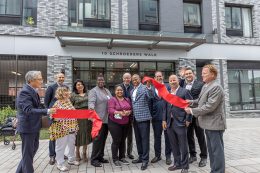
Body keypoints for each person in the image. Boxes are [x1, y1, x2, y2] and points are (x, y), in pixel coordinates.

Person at [185, 64, 226, 173]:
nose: (201, 75)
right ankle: (214, 170)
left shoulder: (216, 87)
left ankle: (219, 171)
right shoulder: (206, 85)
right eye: (202, 73)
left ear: (212, 74)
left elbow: (209, 106)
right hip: (208, 124)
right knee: (212, 150)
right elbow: (200, 100)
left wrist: (192, 111)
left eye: (204, 73)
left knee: (217, 150)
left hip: (215, 124)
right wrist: (191, 102)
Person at [16, 71, 55, 173]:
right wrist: (47, 111)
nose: (41, 81)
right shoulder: (25, 92)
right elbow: (28, 110)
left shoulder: (33, 90)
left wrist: (50, 109)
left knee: (31, 151)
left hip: (34, 126)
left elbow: (37, 107)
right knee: (28, 154)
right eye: (39, 79)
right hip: (28, 127)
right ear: (31, 80)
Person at [163, 75, 192, 173]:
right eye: (170, 80)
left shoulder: (184, 92)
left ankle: (185, 166)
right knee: (174, 145)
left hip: (181, 122)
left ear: (178, 81)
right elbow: (166, 107)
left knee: (183, 145)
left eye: (174, 80)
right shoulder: (168, 93)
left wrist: (188, 119)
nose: (172, 81)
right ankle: (177, 163)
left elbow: (189, 106)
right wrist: (164, 120)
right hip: (170, 123)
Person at [181, 67, 208, 167]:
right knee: (189, 136)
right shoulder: (183, 84)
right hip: (187, 114)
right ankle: (192, 155)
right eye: (186, 74)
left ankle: (204, 157)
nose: (188, 75)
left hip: (197, 114)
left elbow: (203, 99)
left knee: (200, 136)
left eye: (189, 73)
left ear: (193, 74)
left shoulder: (200, 84)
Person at [49, 87, 80, 172]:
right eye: (64, 92)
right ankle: (60, 164)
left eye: (67, 91)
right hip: (62, 128)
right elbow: (52, 117)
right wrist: (61, 116)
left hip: (72, 127)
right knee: (60, 146)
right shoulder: (57, 103)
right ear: (60, 93)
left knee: (71, 144)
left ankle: (71, 159)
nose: (66, 93)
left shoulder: (68, 102)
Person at [88, 74, 112, 167]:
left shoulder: (107, 90)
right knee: (97, 140)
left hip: (107, 120)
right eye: (99, 80)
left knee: (103, 139)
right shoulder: (93, 91)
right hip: (98, 120)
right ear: (96, 81)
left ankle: (100, 156)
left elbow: (111, 101)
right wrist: (91, 110)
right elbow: (91, 103)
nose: (101, 81)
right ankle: (94, 159)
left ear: (104, 81)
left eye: (102, 80)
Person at [131, 74, 153, 171]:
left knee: (145, 139)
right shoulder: (132, 90)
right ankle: (140, 157)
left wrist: (148, 87)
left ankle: (145, 160)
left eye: (136, 79)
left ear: (140, 79)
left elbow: (150, 96)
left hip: (144, 118)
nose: (134, 80)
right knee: (138, 139)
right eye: (133, 79)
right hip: (135, 118)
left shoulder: (144, 88)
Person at [44, 72, 67, 165]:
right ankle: (52, 156)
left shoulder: (65, 87)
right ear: (56, 78)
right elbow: (46, 102)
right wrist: (50, 112)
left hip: (63, 114)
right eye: (59, 77)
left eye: (62, 77)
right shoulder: (51, 87)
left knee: (62, 134)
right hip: (53, 114)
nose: (61, 78)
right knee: (53, 135)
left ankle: (60, 154)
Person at [150, 71, 172, 165]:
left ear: (163, 77)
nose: (159, 77)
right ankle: (157, 155)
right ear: (154, 78)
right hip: (156, 118)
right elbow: (150, 103)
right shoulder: (151, 88)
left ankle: (168, 157)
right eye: (157, 76)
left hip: (167, 117)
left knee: (168, 138)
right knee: (157, 137)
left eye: (160, 76)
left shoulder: (168, 87)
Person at [108, 85, 132, 167]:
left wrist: (129, 112)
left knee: (123, 140)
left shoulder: (127, 99)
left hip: (125, 123)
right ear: (115, 91)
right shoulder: (112, 99)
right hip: (114, 123)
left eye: (121, 90)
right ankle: (115, 158)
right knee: (116, 140)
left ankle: (122, 157)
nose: (120, 91)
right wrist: (119, 112)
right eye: (118, 90)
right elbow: (110, 110)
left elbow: (130, 108)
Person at [70, 79, 92, 162]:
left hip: (87, 118)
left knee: (86, 133)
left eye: (81, 84)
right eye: (78, 84)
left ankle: (84, 153)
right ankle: (77, 153)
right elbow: (70, 107)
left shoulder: (88, 94)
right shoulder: (72, 95)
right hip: (77, 118)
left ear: (83, 85)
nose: (80, 86)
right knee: (78, 135)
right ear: (75, 86)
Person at [119, 72, 134, 159]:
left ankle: (129, 153)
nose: (127, 79)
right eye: (125, 78)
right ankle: (122, 153)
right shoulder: (119, 87)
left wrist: (130, 111)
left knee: (130, 136)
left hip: (130, 115)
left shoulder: (133, 87)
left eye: (128, 78)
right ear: (122, 78)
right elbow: (116, 99)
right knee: (121, 136)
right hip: (121, 115)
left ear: (130, 79)